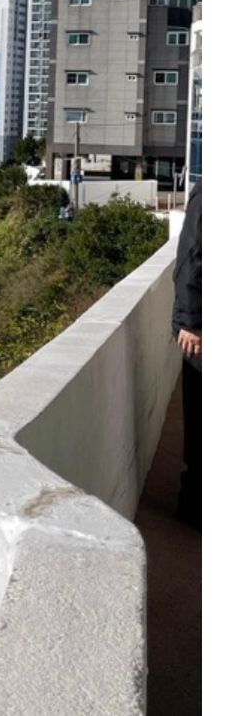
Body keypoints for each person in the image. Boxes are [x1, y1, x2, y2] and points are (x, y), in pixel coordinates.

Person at [172, 181, 201, 528]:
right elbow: (192, 255)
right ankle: (193, 508)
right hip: (200, 331)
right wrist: (191, 323)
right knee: (201, 425)